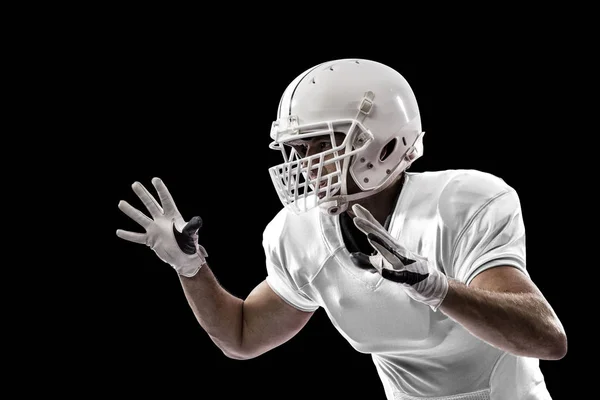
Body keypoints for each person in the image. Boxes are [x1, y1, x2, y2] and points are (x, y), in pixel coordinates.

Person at [116, 59, 567, 399]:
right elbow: (241, 336)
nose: (303, 164)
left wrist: (437, 288)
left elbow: (546, 338)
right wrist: (192, 269)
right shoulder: (299, 232)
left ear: (386, 139)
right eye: (296, 148)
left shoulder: (462, 203)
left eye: (320, 144)